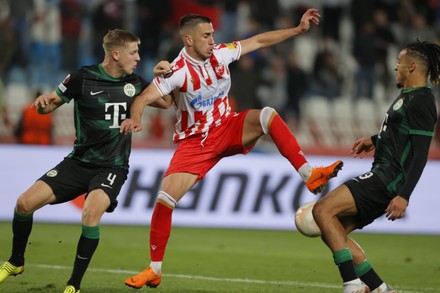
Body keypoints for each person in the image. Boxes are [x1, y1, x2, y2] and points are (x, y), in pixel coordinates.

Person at [120, 8, 343, 289]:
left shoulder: (221, 54)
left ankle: (309, 174)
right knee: (164, 200)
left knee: (267, 115)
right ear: (188, 40)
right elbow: (141, 99)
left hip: (227, 128)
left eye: (213, 33)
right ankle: (154, 270)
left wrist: (297, 31)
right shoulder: (177, 72)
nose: (214, 39)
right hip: (195, 143)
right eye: (207, 35)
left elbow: (259, 41)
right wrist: (134, 119)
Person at [0, 29, 171, 293]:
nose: (138, 57)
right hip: (78, 163)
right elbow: (50, 105)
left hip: (112, 166)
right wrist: (44, 103)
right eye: (133, 52)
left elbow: (167, 103)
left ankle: (73, 285)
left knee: (91, 214)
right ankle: (15, 261)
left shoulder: (136, 82)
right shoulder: (82, 77)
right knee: (23, 204)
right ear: (116, 54)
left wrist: (166, 78)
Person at [312, 40, 440, 293]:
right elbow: (400, 137)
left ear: (412, 66)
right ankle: (380, 288)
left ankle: (352, 284)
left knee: (323, 210)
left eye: (399, 63)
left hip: (387, 178)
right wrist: (375, 140)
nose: (395, 68)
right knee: (335, 232)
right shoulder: (409, 97)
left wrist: (404, 195)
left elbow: (421, 154)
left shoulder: (422, 102)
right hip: (384, 174)